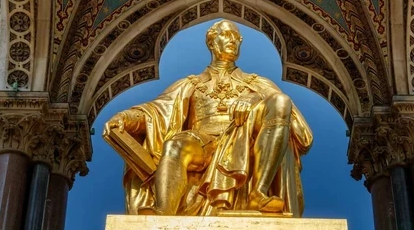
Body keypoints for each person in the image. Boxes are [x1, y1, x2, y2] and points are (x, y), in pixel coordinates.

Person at [104, 20, 313, 217]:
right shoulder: (191, 83)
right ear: (212, 42)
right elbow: (156, 111)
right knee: (175, 145)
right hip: (201, 141)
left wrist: (256, 99)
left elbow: (299, 130)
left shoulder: (258, 83)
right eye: (227, 35)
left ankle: (258, 192)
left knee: (279, 101)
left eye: (237, 37)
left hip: (244, 142)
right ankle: (163, 213)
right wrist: (125, 117)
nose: (233, 40)